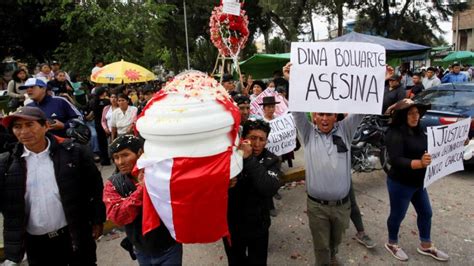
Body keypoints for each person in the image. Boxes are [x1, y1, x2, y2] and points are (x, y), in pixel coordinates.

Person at [0, 106, 105, 265]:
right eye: (17, 127)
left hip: (72, 235)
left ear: (46, 126)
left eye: (30, 125)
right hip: (36, 243)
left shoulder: (73, 153)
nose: (23, 132)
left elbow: (95, 187)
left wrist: (97, 219)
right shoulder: (7, 165)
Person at [283, 62, 364, 265]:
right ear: (314, 116)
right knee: (321, 247)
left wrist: (381, 80)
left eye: (329, 114)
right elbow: (297, 111)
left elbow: (362, 109)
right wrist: (293, 80)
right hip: (317, 207)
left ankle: (333, 255)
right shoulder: (308, 133)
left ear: (335, 116)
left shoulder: (345, 131)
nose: (325, 118)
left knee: (335, 241)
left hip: (342, 206)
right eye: (320, 114)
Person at [384, 99, 450, 262]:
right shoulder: (395, 133)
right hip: (400, 183)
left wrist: (456, 143)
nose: (416, 116)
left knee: (426, 212)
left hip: (419, 183)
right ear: (402, 116)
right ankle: (392, 243)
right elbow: (396, 160)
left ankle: (426, 245)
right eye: (410, 113)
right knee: (397, 215)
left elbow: (437, 144)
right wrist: (419, 163)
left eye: (417, 112)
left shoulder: (422, 129)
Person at [103, 135, 182, 265]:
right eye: (116, 157)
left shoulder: (159, 173)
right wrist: (141, 190)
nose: (120, 162)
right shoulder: (113, 184)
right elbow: (117, 216)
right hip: (141, 250)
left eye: (125, 155)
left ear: (140, 153)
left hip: (169, 247)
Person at [224, 119, 281, 265]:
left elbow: (269, 187)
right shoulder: (230, 157)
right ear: (244, 139)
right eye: (252, 138)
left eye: (261, 139)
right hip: (232, 227)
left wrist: (249, 159)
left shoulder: (272, 160)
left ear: (266, 141)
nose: (256, 144)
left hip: (258, 227)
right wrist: (224, 183)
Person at [90, 86, 111, 165]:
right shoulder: (107, 101)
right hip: (106, 123)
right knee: (110, 140)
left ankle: (105, 159)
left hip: (97, 123)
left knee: (102, 142)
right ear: (104, 93)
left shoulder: (92, 101)